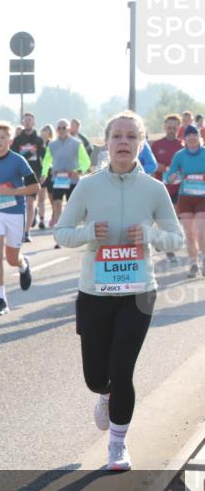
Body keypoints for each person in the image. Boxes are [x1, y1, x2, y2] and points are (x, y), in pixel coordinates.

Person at [54, 111, 183, 470]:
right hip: (94, 293)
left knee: (123, 370)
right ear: (106, 143)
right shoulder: (88, 187)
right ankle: (104, 395)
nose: (123, 142)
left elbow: (177, 237)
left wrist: (150, 234)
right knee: (97, 377)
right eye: (117, 137)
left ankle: (117, 445)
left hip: (139, 293)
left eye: (131, 137)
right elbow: (62, 232)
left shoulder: (154, 189)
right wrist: (88, 232)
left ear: (140, 145)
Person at [0, 121, 39, 316]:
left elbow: (35, 187)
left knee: (11, 258)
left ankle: (23, 264)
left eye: (3, 137)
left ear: (10, 140)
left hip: (15, 213)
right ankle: (1, 299)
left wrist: (13, 191)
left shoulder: (18, 161)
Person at [165, 125, 205, 278]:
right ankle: (193, 264)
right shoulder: (180, 155)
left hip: (203, 198)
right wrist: (171, 177)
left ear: (199, 136)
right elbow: (169, 174)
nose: (192, 137)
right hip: (186, 198)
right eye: (189, 135)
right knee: (190, 233)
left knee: (202, 232)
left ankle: (203, 259)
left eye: (195, 134)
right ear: (185, 138)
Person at [42, 118, 91, 234]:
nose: (61, 130)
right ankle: (59, 228)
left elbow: (86, 162)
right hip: (58, 179)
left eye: (64, 128)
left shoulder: (77, 143)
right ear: (56, 130)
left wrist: (79, 171)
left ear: (69, 129)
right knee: (57, 203)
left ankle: (71, 227)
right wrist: (44, 173)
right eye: (59, 128)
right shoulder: (52, 145)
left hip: (72, 179)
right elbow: (46, 161)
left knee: (71, 205)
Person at [151, 114, 185, 262]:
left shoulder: (183, 145)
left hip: (179, 187)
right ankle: (167, 247)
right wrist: (159, 167)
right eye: (169, 127)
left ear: (179, 128)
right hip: (160, 187)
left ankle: (167, 244)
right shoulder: (157, 145)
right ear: (164, 127)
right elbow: (150, 165)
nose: (171, 130)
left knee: (175, 218)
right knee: (163, 218)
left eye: (174, 128)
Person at [11, 112, 47, 238]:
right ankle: (22, 226)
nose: (27, 122)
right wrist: (29, 153)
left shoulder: (38, 140)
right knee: (21, 204)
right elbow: (14, 158)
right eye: (25, 120)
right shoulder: (17, 140)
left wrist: (44, 173)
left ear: (34, 122)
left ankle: (26, 232)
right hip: (19, 175)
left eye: (29, 120)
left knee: (30, 203)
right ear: (22, 122)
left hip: (33, 174)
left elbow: (45, 158)